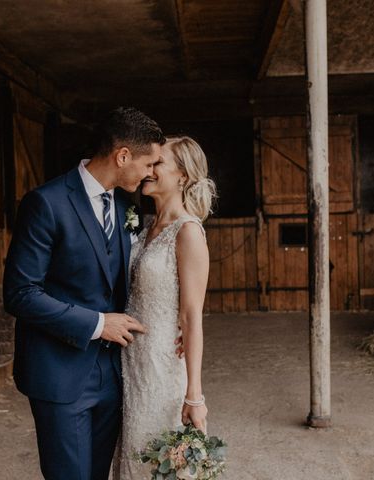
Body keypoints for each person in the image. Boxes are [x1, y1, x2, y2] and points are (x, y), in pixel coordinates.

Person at [3, 107, 166, 480]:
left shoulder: (127, 204)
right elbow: (20, 293)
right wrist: (96, 324)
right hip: (60, 373)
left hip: (113, 373)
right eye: (149, 162)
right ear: (122, 156)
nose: (151, 172)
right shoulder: (46, 203)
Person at [116, 136, 216, 479]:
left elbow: (191, 317)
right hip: (132, 366)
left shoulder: (187, 232)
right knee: (131, 457)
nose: (148, 168)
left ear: (182, 176)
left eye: (158, 163)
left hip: (162, 370)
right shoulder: (144, 228)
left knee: (156, 461)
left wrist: (194, 395)